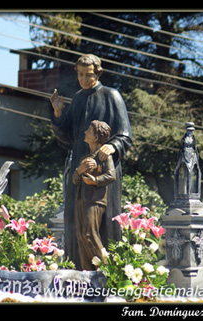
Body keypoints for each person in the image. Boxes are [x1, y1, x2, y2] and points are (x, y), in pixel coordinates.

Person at [50, 54, 132, 268]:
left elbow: (125, 136)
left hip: (104, 174)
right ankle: (78, 271)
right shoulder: (77, 98)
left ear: (99, 73)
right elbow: (67, 139)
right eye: (80, 75)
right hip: (79, 170)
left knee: (98, 228)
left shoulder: (111, 96)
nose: (84, 79)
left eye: (88, 75)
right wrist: (59, 113)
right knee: (75, 224)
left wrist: (112, 146)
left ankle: (107, 273)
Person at [73, 120, 116, 271]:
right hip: (81, 199)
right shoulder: (85, 157)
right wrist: (79, 171)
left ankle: (108, 272)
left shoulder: (103, 156)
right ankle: (87, 274)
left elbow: (111, 176)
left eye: (89, 131)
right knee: (80, 236)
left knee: (90, 234)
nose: (85, 132)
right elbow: (74, 179)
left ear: (97, 137)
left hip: (95, 200)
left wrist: (95, 181)